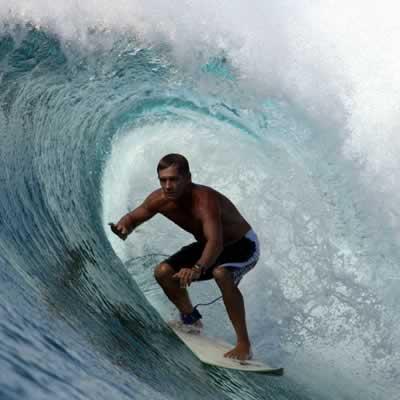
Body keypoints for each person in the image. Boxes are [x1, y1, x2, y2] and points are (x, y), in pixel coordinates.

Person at [109, 154, 260, 360]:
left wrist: (197, 268)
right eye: (163, 180)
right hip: (209, 245)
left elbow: (215, 242)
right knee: (163, 272)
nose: (168, 186)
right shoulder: (159, 200)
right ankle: (191, 320)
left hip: (243, 245)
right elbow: (133, 218)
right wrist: (124, 227)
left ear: (188, 178)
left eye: (173, 179)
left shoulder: (205, 200)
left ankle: (244, 344)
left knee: (221, 273)